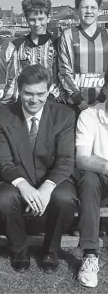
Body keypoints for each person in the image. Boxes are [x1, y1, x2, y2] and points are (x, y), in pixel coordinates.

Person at [0, 64, 77, 273]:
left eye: (40, 94)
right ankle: (18, 249)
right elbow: (2, 160)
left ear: (48, 91)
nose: (34, 100)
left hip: (52, 178)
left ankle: (50, 250)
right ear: (19, 91)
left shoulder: (64, 115)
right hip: (17, 178)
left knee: (66, 198)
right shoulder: (2, 116)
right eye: (28, 94)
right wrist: (24, 186)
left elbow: (66, 159)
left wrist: (46, 188)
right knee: (4, 199)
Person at [75, 69, 108, 288]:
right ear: (106, 88)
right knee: (88, 179)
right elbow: (82, 159)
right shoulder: (89, 115)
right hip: (101, 180)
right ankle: (90, 255)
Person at [58, 0, 108, 114]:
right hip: (76, 105)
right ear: (76, 11)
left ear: (100, 11)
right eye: (85, 7)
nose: (89, 11)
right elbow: (64, 71)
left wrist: (102, 98)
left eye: (93, 7)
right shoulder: (68, 35)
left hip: (104, 104)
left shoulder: (106, 35)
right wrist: (78, 100)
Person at [13, 0, 66, 103]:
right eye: (32, 19)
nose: (37, 24)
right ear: (27, 19)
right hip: (28, 100)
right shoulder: (17, 45)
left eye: (41, 19)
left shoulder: (58, 43)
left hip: (54, 99)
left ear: (48, 18)